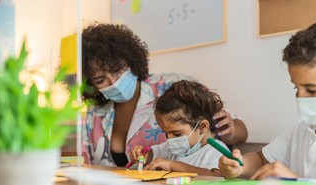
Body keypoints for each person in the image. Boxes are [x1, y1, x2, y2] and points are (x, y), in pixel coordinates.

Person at [81, 23, 248, 166]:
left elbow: (240, 131)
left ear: (131, 61)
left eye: (117, 71)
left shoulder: (173, 87)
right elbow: (85, 164)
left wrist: (231, 131)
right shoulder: (94, 112)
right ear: (90, 83)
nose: (113, 83)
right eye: (100, 79)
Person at [219, 19, 316, 185]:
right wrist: (240, 166)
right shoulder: (303, 129)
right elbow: (261, 159)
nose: (300, 97)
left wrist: (297, 182)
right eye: (296, 88)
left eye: (311, 90)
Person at [129, 80, 228, 176]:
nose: (170, 139)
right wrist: (142, 154)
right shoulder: (171, 148)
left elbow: (219, 177)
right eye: (165, 133)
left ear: (202, 127)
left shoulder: (216, 150)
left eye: (177, 134)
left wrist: (175, 166)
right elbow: (151, 154)